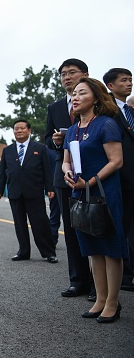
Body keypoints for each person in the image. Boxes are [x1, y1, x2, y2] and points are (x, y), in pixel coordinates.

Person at [62, 77, 127, 323]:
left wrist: (89, 182)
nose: (75, 97)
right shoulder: (72, 130)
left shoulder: (106, 125)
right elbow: (66, 160)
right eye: (74, 93)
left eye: (82, 93)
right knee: (92, 250)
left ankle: (112, 302)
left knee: (111, 249)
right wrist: (67, 173)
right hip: (79, 193)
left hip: (103, 191)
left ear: (97, 98)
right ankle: (100, 299)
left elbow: (116, 161)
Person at [44, 58, 94, 300]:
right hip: (64, 174)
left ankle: (100, 284)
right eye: (63, 74)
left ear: (84, 74)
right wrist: (54, 143)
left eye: (72, 72)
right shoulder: (54, 108)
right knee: (72, 228)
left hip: (94, 174)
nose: (66, 77)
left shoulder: (99, 104)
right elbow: (46, 140)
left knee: (96, 226)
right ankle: (78, 280)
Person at [0, 120, 58, 263]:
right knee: (19, 224)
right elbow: (3, 172)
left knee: (40, 223)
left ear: (29, 130)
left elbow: (47, 170)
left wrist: (50, 188)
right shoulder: (8, 150)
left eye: (22, 128)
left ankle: (49, 253)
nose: (19, 131)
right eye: (16, 129)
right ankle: (23, 251)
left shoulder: (40, 148)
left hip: (34, 191)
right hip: (15, 192)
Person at [103, 68, 134, 292]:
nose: (129, 83)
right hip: (121, 177)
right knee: (121, 227)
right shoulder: (109, 111)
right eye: (123, 80)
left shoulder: (130, 110)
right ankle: (123, 276)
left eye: (131, 80)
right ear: (110, 86)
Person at [46, 146, 61, 245]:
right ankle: (53, 238)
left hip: (74, 185)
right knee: (55, 214)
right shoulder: (48, 149)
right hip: (54, 187)